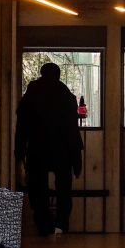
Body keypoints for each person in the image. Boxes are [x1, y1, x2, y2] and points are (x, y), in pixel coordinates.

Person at [14, 62, 84, 238]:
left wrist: (19, 152)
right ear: (58, 75)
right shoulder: (66, 94)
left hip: (38, 148)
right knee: (63, 187)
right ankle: (61, 224)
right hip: (63, 149)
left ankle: (43, 224)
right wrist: (76, 159)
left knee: (38, 187)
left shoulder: (32, 93)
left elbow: (21, 126)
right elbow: (73, 129)